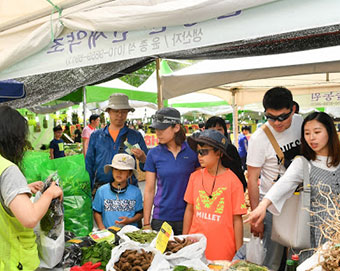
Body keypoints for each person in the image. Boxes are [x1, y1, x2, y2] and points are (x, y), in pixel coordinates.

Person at [246, 111, 340, 262]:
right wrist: (262, 205)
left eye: (317, 132)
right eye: (307, 133)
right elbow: (283, 185)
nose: (312, 138)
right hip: (310, 236)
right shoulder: (303, 163)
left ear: (330, 132)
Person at [0, 106, 63, 271]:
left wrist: (22, 189)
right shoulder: (9, 169)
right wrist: (49, 193)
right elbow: (29, 218)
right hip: (14, 269)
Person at [246, 86, 303, 270]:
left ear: (293, 109)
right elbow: (253, 180)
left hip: (300, 203)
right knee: (271, 262)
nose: (277, 123)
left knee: (298, 258)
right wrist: (257, 219)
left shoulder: (302, 125)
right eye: (270, 117)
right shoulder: (258, 139)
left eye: (283, 117)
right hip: (271, 207)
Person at [183, 129, 247, 260]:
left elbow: (237, 220)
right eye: (198, 151)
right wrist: (184, 240)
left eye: (204, 151)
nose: (199, 155)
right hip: (196, 247)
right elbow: (189, 210)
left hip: (223, 250)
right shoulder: (194, 177)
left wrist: (239, 254)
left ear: (218, 153)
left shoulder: (233, 182)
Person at [143, 107, 199, 235]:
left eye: (162, 129)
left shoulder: (193, 152)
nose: (158, 133)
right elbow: (149, 189)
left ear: (176, 127)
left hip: (188, 216)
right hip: (161, 218)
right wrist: (146, 223)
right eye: (156, 129)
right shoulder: (153, 154)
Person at [85, 93, 148, 193]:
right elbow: (88, 165)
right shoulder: (96, 136)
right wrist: (88, 190)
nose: (120, 115)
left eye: (124, 112)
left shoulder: (135, 136)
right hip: (101, 191)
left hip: (128, 192)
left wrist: (143, 159)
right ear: (108, 111)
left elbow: (146, 168)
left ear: (128, 112)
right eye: (116, 111)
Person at [93, 153, 143, 229]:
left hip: (129, 233)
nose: (119, 173)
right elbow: (97, 212)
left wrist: (130, 220)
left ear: (129, 174)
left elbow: (140, 213)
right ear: (112, 171)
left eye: (123, 170)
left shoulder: (136, 192)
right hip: (108, 232)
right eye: (116, 169)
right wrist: (102, 228)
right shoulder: (102, 191)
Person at [205, 116, 247, 191]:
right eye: (212, 129)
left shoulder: (230, 150)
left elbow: (239, 174)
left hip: (228, 191)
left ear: (224, 131)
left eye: (219, 129)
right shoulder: (202, 150)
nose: (216, 132)